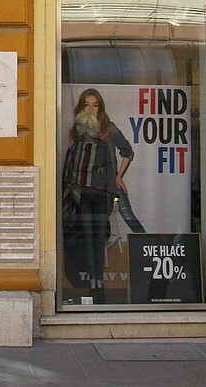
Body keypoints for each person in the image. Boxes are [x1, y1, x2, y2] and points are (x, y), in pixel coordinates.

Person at [62, 88, 134, 304]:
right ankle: (94, 287)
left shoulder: (109, 129)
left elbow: (128, 152)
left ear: (100, 107)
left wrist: (118, 176)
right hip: (82, 193)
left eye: (95, 105)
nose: (91, 109)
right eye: (86, 104)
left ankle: (98, 285)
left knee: (98, 239)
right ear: (81, 107)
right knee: (88, 240)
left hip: (102, 194)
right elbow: (73, 163)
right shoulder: (77, 129)